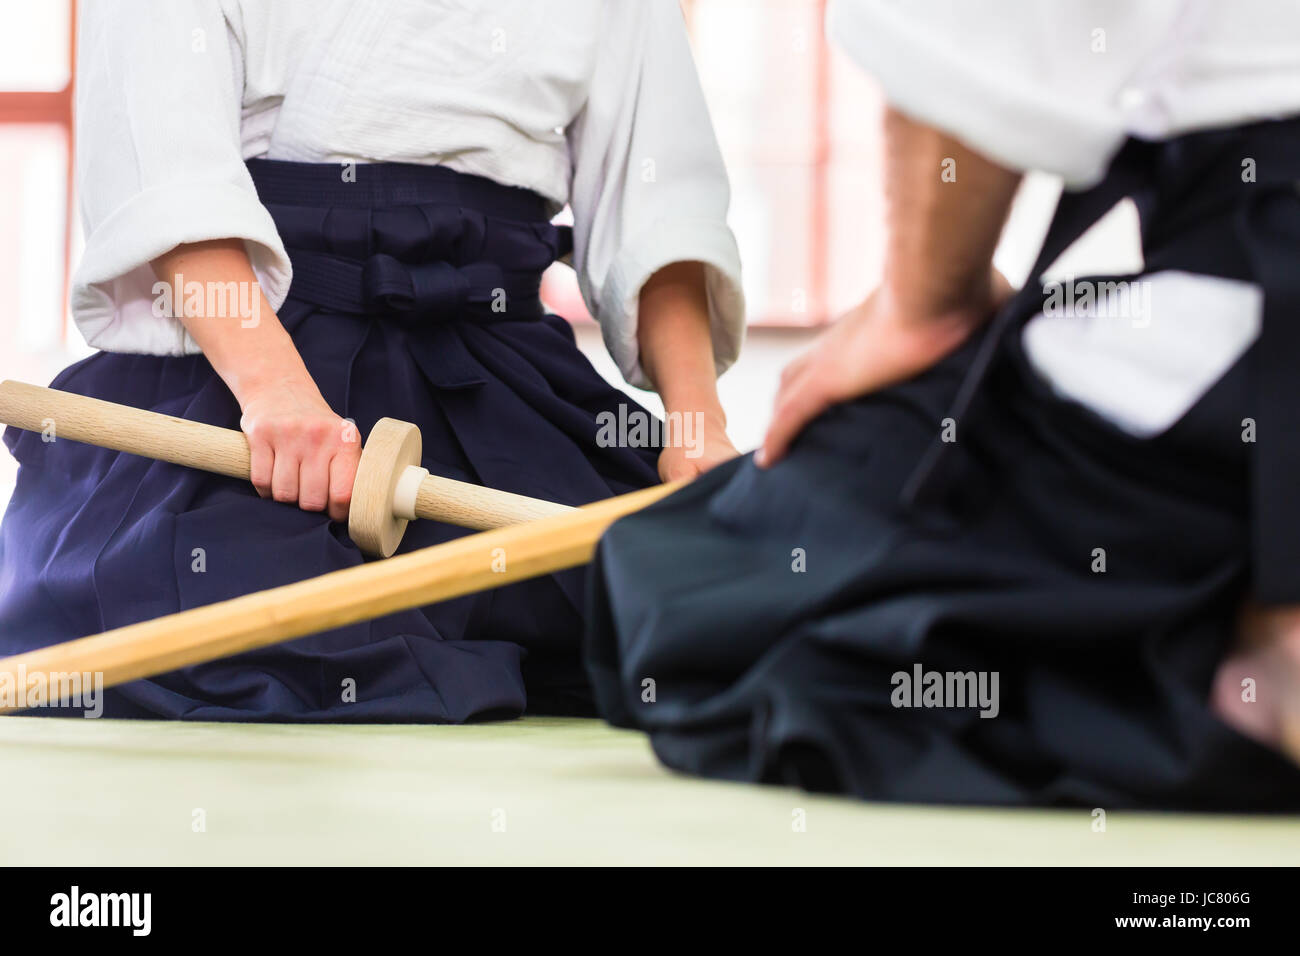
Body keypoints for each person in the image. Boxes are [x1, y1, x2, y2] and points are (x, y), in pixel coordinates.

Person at [583, 0, 1300, 808]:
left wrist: (921, 309)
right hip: (1238, 317)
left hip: (1245, 319)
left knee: (691, 565)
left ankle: (1252, 643)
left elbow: (974, 36)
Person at [0, 0, 743, 721]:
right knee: (238, 636)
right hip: (243, 377)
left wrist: (694, 422)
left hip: (502, 380)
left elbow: (661, 205)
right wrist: (274, 390)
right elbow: (167, 168)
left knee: (701, 618)